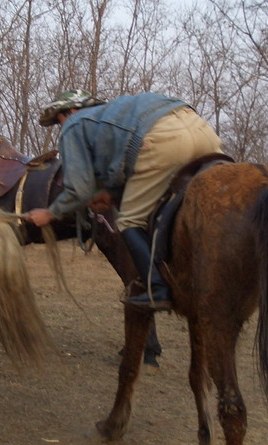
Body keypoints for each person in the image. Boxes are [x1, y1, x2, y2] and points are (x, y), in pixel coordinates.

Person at [24, 90, 222, 310]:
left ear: (71, 111)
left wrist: (49, 213)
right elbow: (123, 166)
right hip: (201, 129)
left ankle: (156, 287)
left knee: (129, 220)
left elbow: (78, 190)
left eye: (59, 120)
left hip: (165, 139)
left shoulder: (75, 123)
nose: (61, 126)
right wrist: (111, 193)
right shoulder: (115, 115)